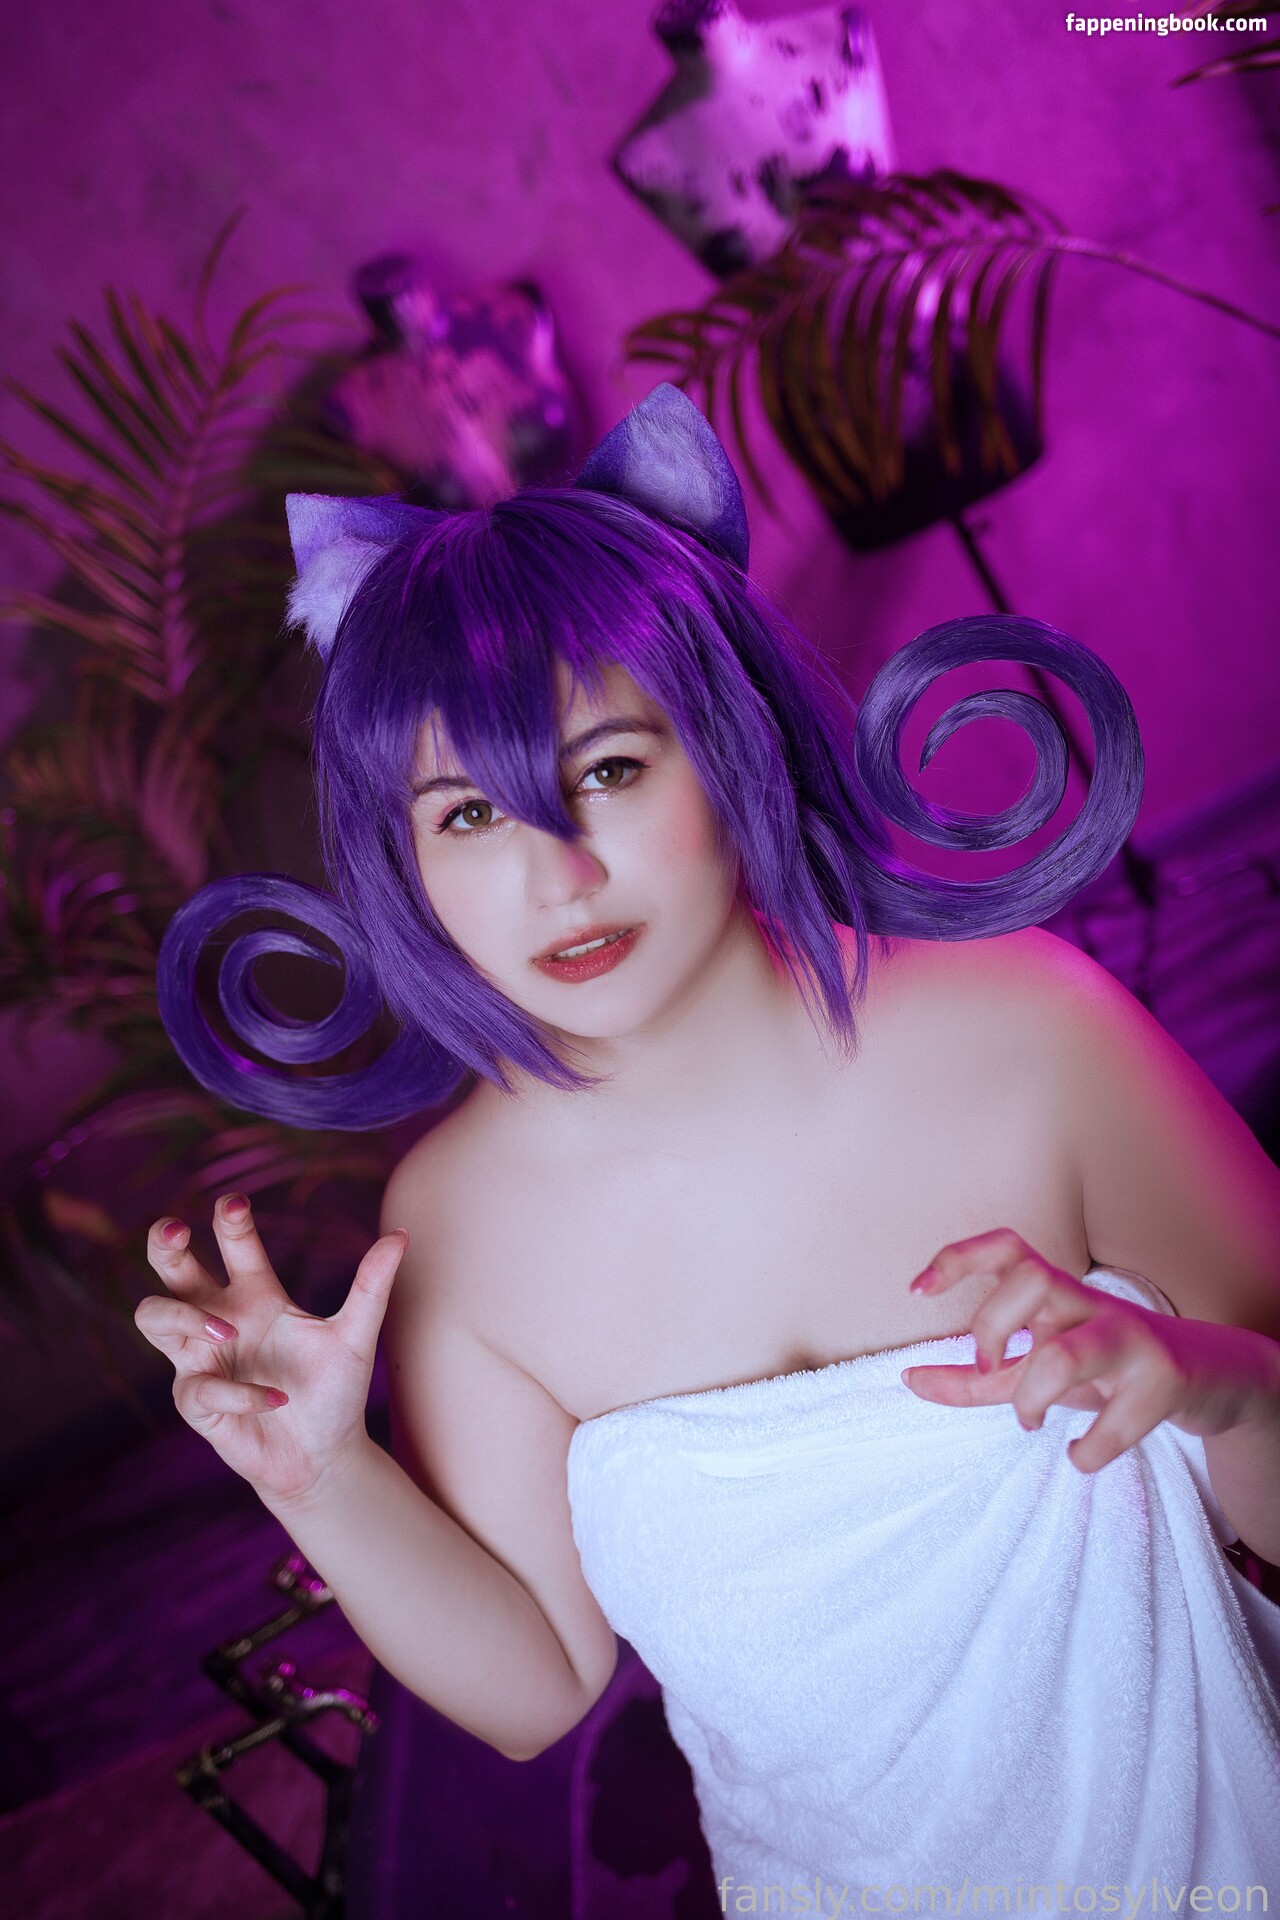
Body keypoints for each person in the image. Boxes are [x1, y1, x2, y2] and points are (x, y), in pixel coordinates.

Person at [138, 386, 1280, 1897]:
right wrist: (321, 1478)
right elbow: (537, 1685)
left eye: (609, 771)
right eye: (469, 816)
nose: (556, 876)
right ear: (402, 862)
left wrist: (1215, 1388)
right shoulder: (459, 1227)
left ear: (728, 746)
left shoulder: (1032, 1035)